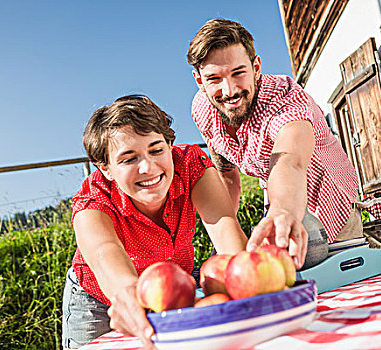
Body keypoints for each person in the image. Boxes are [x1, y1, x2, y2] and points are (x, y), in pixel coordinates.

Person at [61, 95, 247, 349]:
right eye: (128, 158)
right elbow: (104, 251)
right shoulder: (93, 201)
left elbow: (226, 230)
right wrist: (129, 294)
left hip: (175, 282)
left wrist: (249, 281)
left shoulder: (192, 166)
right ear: (105, 168)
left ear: (170, 145)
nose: (148, 167)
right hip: (98, 300)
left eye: (156, 149)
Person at [187, 18, 362, 269]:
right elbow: (226, 174)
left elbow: (289, 160)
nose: (230, 90)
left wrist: (282, 210)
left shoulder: (286, 101)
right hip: (279, 209)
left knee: (341, 295)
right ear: (199, 81)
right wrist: (224, 239)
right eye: (214, 78)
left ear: (256, 67)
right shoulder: (203, 109)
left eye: (238, 73)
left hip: (329, 206)